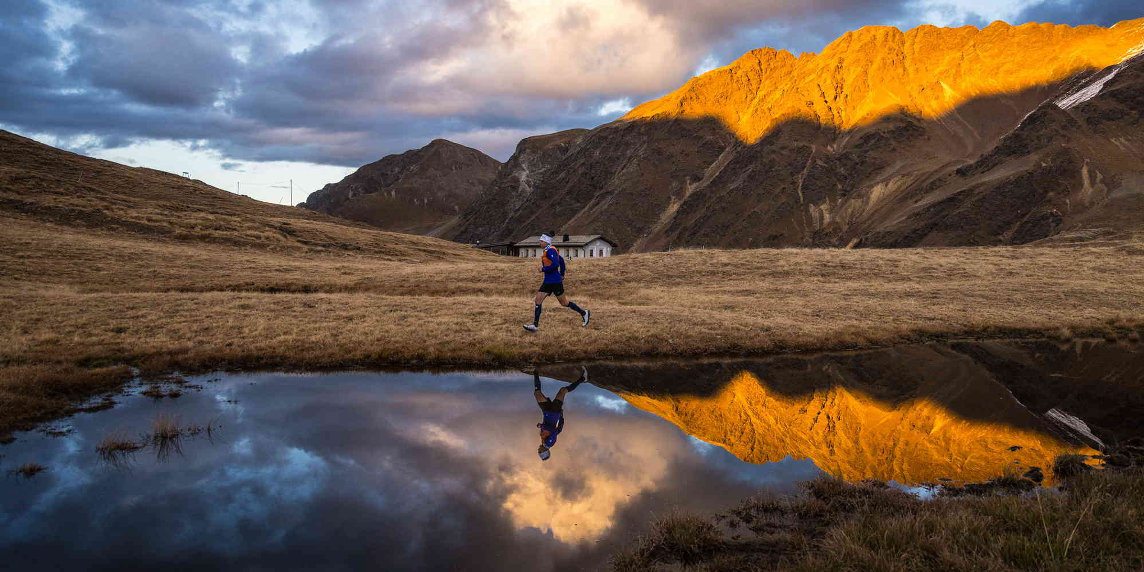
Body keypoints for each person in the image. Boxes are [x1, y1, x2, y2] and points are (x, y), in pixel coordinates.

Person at [523, 234, 590, 333]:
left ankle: (584, 313)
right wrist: (562, 273)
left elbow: (556, 264)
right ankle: (535, 326)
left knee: (564, 303)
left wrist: (543, 269)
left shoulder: (551, 250)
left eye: (541, 241)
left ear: (547, 242)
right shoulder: (548, 250)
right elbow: (561, 261)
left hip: (555, 281)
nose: (540, 243)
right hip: (548, 281)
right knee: (538, 300)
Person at [533, 367, 587, 461]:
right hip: (554, 412)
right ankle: (583, 379)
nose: (538, 451)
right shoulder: (549, 443)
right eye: (540, 452)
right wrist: (560, 417)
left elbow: (557, 430)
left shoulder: (544, 442)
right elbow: (555, 431)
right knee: (563, 391)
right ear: (544, 451)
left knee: (537, 393)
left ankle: (535, 372)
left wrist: (559, 418)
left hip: (547, 411)